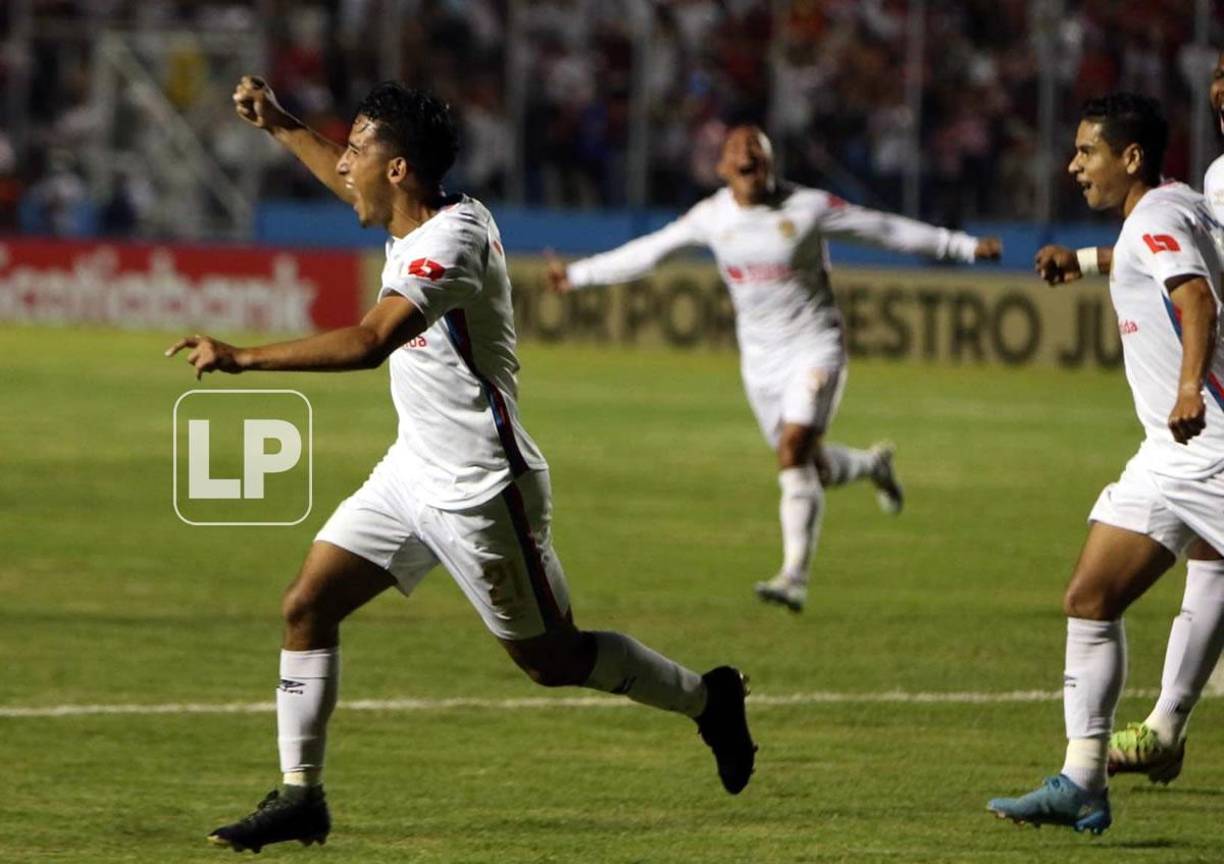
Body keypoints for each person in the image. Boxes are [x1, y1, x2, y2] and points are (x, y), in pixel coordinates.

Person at [169, 76, 756, 854]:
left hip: (483, 492)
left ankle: (707, 699)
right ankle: (301, 797)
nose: (343, 165)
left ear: (399, 170)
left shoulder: (453, 242)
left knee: (554, 660)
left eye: (356, 152)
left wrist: (244, 357)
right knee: (306, 604)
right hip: (412, 471)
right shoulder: (412, 219)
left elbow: (370, 342)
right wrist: (280, 124)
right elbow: (344, 186)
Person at [546, 125, 1002, 612]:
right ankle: (872, 466)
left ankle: (793, 577)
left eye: (755, 149)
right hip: (761, 363)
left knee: (791, 453)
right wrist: (577, 275)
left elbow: (883, 229)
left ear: (770, 162)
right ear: (722, 169)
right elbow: (650, 252)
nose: (746, 156)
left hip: (816, 346)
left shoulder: (807, 208)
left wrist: (961, 247)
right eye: (736, 151)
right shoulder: (712, 217)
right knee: (810, 466)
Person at [987, 92, 1224, 835]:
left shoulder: (1155, 219)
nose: (1073, 165)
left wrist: (1189, 388)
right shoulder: (1178, 204)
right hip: (1167, 457)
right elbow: (1167, 257)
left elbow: (1196, 297)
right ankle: (1083, 781)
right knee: (1090, 597)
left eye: (1087, 152)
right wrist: (1086, 260)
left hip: (1210, 448)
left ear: (1130, 158)